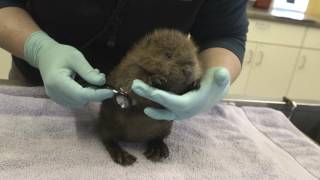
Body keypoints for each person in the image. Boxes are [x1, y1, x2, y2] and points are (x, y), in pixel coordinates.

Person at [0, 0, 248, 120]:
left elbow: (225, 33)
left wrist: (214, 80)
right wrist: (39, 49)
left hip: (152, 98)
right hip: (38, 83)